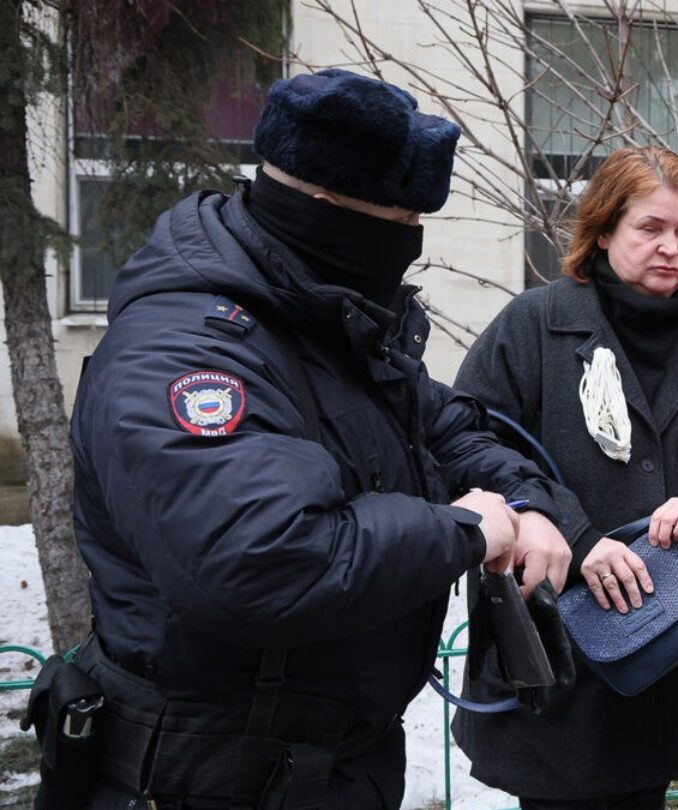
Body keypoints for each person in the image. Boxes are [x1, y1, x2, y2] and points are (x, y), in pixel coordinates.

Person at [61, 69, 569, 809]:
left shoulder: (323, 320)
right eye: (397, 226)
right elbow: (262, 558)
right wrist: (465, 529)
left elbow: (440, 424)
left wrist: (528, 500)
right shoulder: (188, 349)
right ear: (324, 209)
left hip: (320, 764)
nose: (408, 246)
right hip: (207, 777)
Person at [451, 146, 678, 809]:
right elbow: (464, 440)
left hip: (662, 645)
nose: (670, 247)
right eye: (650, 228)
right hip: (558, 650)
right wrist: (567, 529)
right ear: (604, 229)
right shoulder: (534, 325)